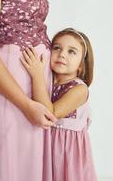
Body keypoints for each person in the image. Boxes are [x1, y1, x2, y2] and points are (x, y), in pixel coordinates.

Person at [0, 0, 57, 181]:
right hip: (10, 94)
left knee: (28, 167)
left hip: (34, 90)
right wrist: (27, 105)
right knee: (6, 165)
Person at [21, 28, 97, 181]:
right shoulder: (48, 82)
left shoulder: (79, 89)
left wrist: (37, 75)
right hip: (45, 145)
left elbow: (51, 113)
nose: (62, 54)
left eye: (72, 51)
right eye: (57, 48)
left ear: (81, 65)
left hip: (66, 152)